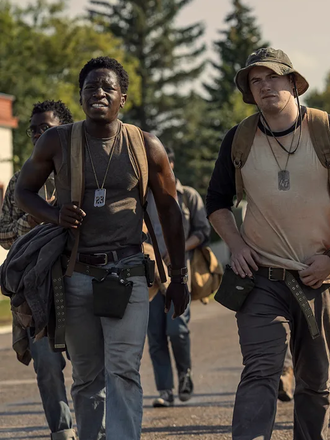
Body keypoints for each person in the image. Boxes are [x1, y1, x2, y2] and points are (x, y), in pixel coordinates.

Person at [15, 56, 190, 440]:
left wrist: (178, 277)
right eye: (90, 87)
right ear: (80, 96)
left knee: (124, 370)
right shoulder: (57, 141)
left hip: (128, 273)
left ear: (122, 98)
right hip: (76, 273)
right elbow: (23, 192)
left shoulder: (146, 145)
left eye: (108, 87)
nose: (99, 93)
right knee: (87, 375)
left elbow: (170, 212)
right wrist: (54, 214)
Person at [206, 47, 330, 439]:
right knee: (260, 369)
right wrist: (236, 245)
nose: (264, 86)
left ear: (293, 82)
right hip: (261, 277)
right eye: (255, 81)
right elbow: (216, 203)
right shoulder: (239, 138)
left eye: (273, 77)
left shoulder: (328, 130)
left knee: (315, 381)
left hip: (318, 276)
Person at [0, 100, 75, 440]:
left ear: (64, 130)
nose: (37, 135)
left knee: (90, 359)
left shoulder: (81, 170)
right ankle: (63, 430)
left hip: (77, 276)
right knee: (46, 362)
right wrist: (29, 222)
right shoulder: (21, 181)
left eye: (46, 128)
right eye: (33, 130)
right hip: (35, 287)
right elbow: (3, 235)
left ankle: (98, 427)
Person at [146, 146, 211, 407]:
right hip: (150, 275)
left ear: (170, 164)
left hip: (179, 273)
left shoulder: (188, 196)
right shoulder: (143, 196)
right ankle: (165, 390)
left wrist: (178, 249)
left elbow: (203, 231)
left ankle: (185, 374)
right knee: (155, 335)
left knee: (177, 330)